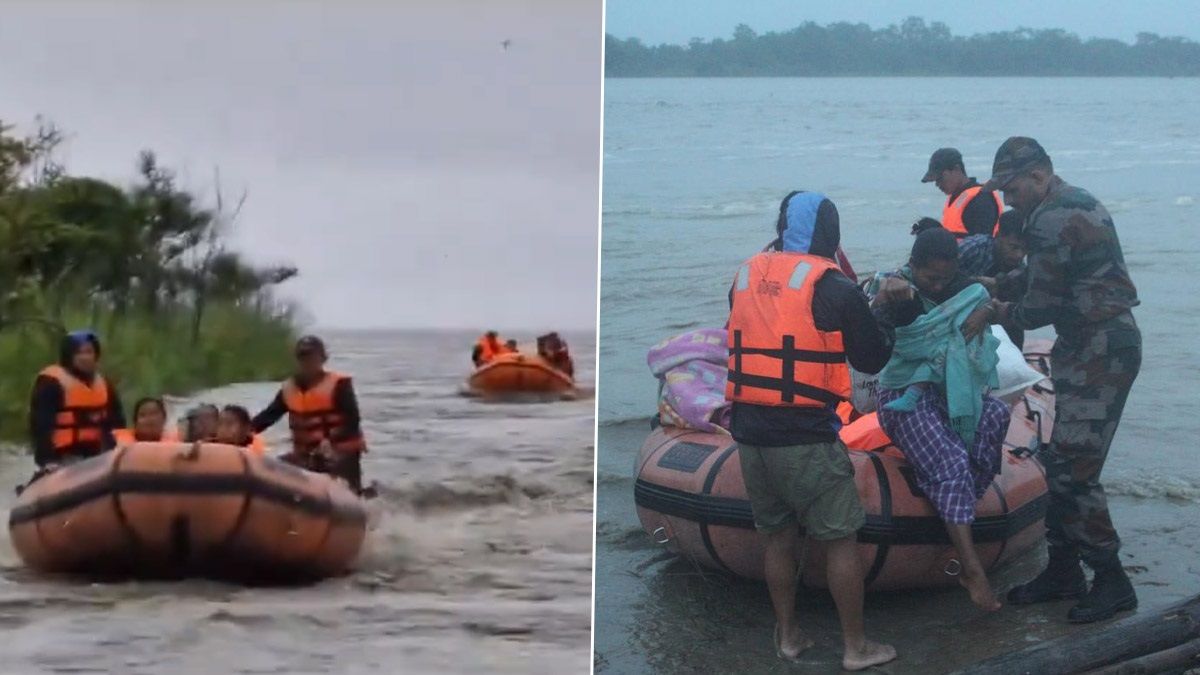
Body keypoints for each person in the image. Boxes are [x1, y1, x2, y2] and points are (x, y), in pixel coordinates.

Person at [966, 137, 1141, 624]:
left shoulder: (1049, 218)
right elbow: (1051, 277)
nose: (1007, 199)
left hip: (1099, 349)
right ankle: (1064, 572)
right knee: (1063, 460)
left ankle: (1111, 580)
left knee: (1073, 471)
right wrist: (1000, 285)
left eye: (1013, 188)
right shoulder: (1074, 201)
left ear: (1039, 176)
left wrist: (993, 310)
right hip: (1096, 345)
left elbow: (1040, 306)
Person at [726, 190, 896, 670]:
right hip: (806, 436)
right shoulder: (835, 287)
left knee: (777, 537)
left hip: (749, 435)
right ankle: (856, 648)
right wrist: (881, 309)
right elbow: (871, 358)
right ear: (830, 231)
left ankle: (788, 637)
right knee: (841, 540)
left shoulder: (743, 275)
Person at [869, 229, 1009, 612]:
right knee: (949, 461)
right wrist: (890, 298)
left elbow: (987, 297)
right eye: (931, 277)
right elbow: (872, 334)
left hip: (953, 389)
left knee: (998, 413)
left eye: (946, 277)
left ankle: (955, 507)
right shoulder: (892, 288)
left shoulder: (963, 289)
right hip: (902, 395)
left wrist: (989, 309)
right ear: (914, 267)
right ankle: (971, 568)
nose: (939, 284)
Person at [252, 335, 367, 493]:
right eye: (302, 358)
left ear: (323, 358)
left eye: (312, 357)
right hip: (305, 455)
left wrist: (331, 441)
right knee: (274, 470)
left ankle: (357, 497)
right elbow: (268, 417)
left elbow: (353, 420)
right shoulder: (289, 389)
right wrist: (244, 430)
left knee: (344, 484)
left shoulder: (340, 385)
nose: (307, 363)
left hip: (340, 452)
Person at [28, 330, 126, 470]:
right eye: (79, 353)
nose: (85, 357)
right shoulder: (51, 382)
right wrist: (47, 459)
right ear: (69, 356)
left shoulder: (104, 384)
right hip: (62, 456)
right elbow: (41, 424)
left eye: (89, 352)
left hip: (98, 455)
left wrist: (118, 451)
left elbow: (117, 422)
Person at [961, 209, 1029, 348]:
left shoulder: (1021, 269)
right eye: (1014, 247)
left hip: (995, 314)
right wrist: (977, 282)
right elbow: (943, 277)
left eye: (1024, 250)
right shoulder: (973, 248)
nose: (1019, 255)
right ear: (998, 236)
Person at [922, 147, 1003, 238]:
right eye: (936, 181)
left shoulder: (981, 200)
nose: (937, 184)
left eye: (940, 178)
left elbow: (983, 245)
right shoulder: (955, 197)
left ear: (957, 169)